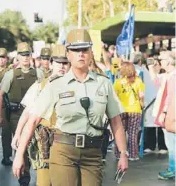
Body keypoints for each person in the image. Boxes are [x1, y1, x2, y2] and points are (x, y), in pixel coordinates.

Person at [12, 29, 128, 186]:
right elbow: (33, 120)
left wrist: (122, 153)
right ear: (68, 54)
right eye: (75, 50)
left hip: (93, 152)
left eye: (85, 50)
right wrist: (19, 155)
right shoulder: (55, 85)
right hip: (63, 151)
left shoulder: (104, 83)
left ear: (91, 53)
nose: (81, 54)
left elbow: (116, 121)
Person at [12, 44, 70, 186]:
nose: (62, 66)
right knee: (44, 181)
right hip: (46, 142)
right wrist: (18, 135)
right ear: (51, 63)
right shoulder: (41, 85)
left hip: (69, 144)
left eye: (65, 63)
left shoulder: (77, 85)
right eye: (58, 63)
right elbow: (28, 113)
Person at [0, 42, 38, 186]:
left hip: (34, 115)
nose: (25, 58)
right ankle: (24, 177)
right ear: (18, 57)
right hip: (16, 115)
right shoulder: (11, 74)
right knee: (22, 145)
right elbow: (0, 95)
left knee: (37, 145)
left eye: (27, 54)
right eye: (22, 55)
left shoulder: (38, 73)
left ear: (31, 56)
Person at [148, 50, 175, 180]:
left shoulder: (173, 77)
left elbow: (171, 97)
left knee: (172, 144)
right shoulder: (168, 76)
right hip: (168, 114)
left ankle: (173, 169)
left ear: (169, 61)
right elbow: (156, 81)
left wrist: (164, 112)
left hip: (170, 115)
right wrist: (150, 67)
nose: (160, 61)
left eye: (162, 59)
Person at [114, 62, 145, 161]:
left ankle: (119, 154)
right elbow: (141, 96)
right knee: (133, 133)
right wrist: (141, 103)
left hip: (121, 110)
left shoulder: (118, 82)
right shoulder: (138, 81)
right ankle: (133, 155)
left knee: (120, 132)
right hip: (135, 110)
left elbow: (114, 96)